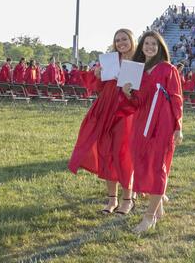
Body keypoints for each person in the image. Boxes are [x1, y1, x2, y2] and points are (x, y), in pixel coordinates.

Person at [68, 28, 137, 216]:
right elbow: (99, 87)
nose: (121, 42)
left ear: (131, 40)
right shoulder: (110, 61)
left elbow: (142, 93)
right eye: (117, 40)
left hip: (126, 112)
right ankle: (111, 199)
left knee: (123, 154)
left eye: (124, 39)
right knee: (106, 152)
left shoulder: (138, 62)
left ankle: (127, 199)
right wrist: (98, 76)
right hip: (106, 108)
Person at [120, 31, 183, 233]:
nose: (149, 47)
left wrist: (178, 127)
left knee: (157, 167)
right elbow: (138, 102)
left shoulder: (168, 69)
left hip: (162, 124)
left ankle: (149, 218)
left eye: (154, 44)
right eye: (146, 43)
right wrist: (128, 93)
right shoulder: (138, 71)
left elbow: (176, 99)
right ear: (141, 47)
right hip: (141, 123)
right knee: (142, 164)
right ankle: (159, 208)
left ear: (160, 47)